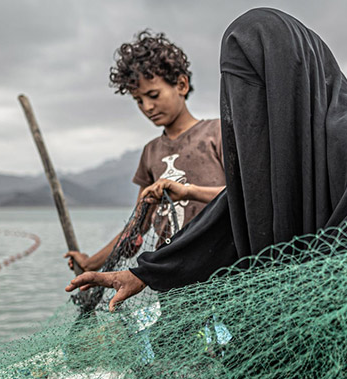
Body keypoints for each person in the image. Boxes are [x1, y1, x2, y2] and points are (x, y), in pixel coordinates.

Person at [67, 8, 347, 375]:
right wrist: (145, 272)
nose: (246, 108)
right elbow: (228, 216)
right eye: (237, 95)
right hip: (307, 330)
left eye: (257, 90)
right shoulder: (265, 155)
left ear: (288, 81)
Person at [64, 30, 226, 272]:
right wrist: (91, 263)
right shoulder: (151, 152)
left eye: (153, 95)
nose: (147, 107)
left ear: (181, 85)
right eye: (139, 100)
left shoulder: (217, 133)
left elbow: (244, 197)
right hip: (171, 273)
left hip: (222, 267)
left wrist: (189, 191)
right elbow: (138, 226)